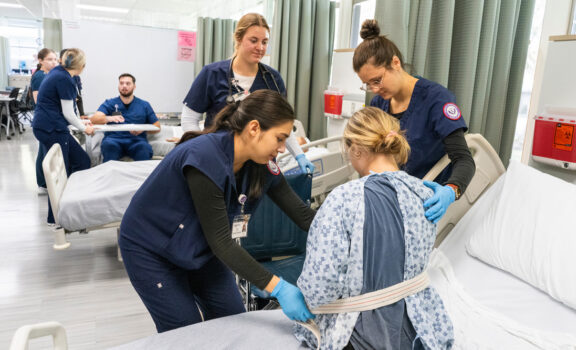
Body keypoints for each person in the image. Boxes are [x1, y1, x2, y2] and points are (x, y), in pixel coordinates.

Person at [120, 90, 316, 333]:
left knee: (233, 324)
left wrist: (349, 232)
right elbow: (222, 242)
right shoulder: (205, 157)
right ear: (254, 128)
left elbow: (303, 215)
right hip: (151, 249)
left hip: (200, 248)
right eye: (279, 138)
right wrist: (278, 287)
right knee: (187, 332)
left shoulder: (262, 165)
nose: (283, 148)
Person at [295, 107, 454, 350]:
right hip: (423, 331)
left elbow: (320, 287)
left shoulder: (344, 199)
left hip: (362, 335)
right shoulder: (427, 193)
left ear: (356, 148)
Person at [353, 20, 475, 223]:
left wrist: (450, 191)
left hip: (425, 201)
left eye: (377, 80)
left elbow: (464, 159)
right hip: (388, 199)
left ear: (395, 63)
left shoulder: (436, 99)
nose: (374, 89)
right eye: (367, 85)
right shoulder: (378, 104)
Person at [180, 12, 315, 174]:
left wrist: (299, 155)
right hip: (220, 160)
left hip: (260, 164)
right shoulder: (212, 73)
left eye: (265, 42)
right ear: (238, 39)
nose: (260, 47)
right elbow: (189, 119)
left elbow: (283, 126)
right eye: (254, 40)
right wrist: (205, 149)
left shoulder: (272, 79)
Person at [32, 48, 94, 225]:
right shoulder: (64, 78)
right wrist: (84, 128)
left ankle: (74, 202)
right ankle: (56, 218)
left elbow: (63, 108)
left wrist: (80, 123)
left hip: (49, 126)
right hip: (51, 128)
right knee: (60, 172)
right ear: (82, 66)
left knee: (82, 161)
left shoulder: (59, 73)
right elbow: (68, 112)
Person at [90, 73, 161, 162]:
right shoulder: (109, 103)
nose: (124, 86)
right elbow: (94, 119)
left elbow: (157, 126)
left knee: (144, 150)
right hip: (113, 141)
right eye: (121, 83)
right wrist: (108, 118)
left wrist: (143, 129)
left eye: (128, 83)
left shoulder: (144, 105)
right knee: (108, 148)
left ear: (134, 86)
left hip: (137, 141)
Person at [31, 48, 58, 194]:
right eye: (50, 59)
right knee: (45, 152)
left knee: (45, 151)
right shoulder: (40, 76)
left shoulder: (47, 75)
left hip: (47, 118)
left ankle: (43, 183)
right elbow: (38, 99)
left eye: (55, 59)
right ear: (40, 61)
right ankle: (43, 184)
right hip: (45, 119)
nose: (53, 62)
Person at [58, 48, 86, 118]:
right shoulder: (60, 76)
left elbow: (78, 96)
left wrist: (82, 114)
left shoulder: (75, 76)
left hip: (72, 114)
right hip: (60, 115)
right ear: (61, 60)